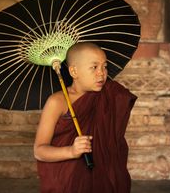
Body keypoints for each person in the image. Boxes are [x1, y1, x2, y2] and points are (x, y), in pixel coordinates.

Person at [34, 42, 137, 192]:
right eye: (94, 67)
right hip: (68, 180)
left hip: (102, 176)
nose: (101, 73)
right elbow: (39, 151)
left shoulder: (108, 95)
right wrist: (71, 151)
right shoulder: (58, 102)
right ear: (74, 72)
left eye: (105, 66)